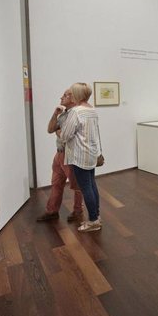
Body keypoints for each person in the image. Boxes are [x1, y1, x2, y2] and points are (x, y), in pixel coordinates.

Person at [37, 88, 85, 223]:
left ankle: (78, 211)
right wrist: (55, 114)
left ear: (73, 98)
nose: (61, 97)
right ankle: (52, 211)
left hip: (70, 155)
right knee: (56, 183)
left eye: (65, 95)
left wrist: (60, 132)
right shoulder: (63, 115)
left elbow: (66, 136)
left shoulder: (77, 115)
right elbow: (50, 129)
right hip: (59, 154)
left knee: (77, 186)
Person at [60, 83, 102, 232]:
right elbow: (95, 133)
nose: (69, 95)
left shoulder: (76, 112)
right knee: (91, 185)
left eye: (71, 93)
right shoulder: (92, 110)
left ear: (77, 94)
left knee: (86, 188)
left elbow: (65, 135)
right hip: (90, 153)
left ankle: (93, 221)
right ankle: (96, 216)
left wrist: (61, 131)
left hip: (79, 155)